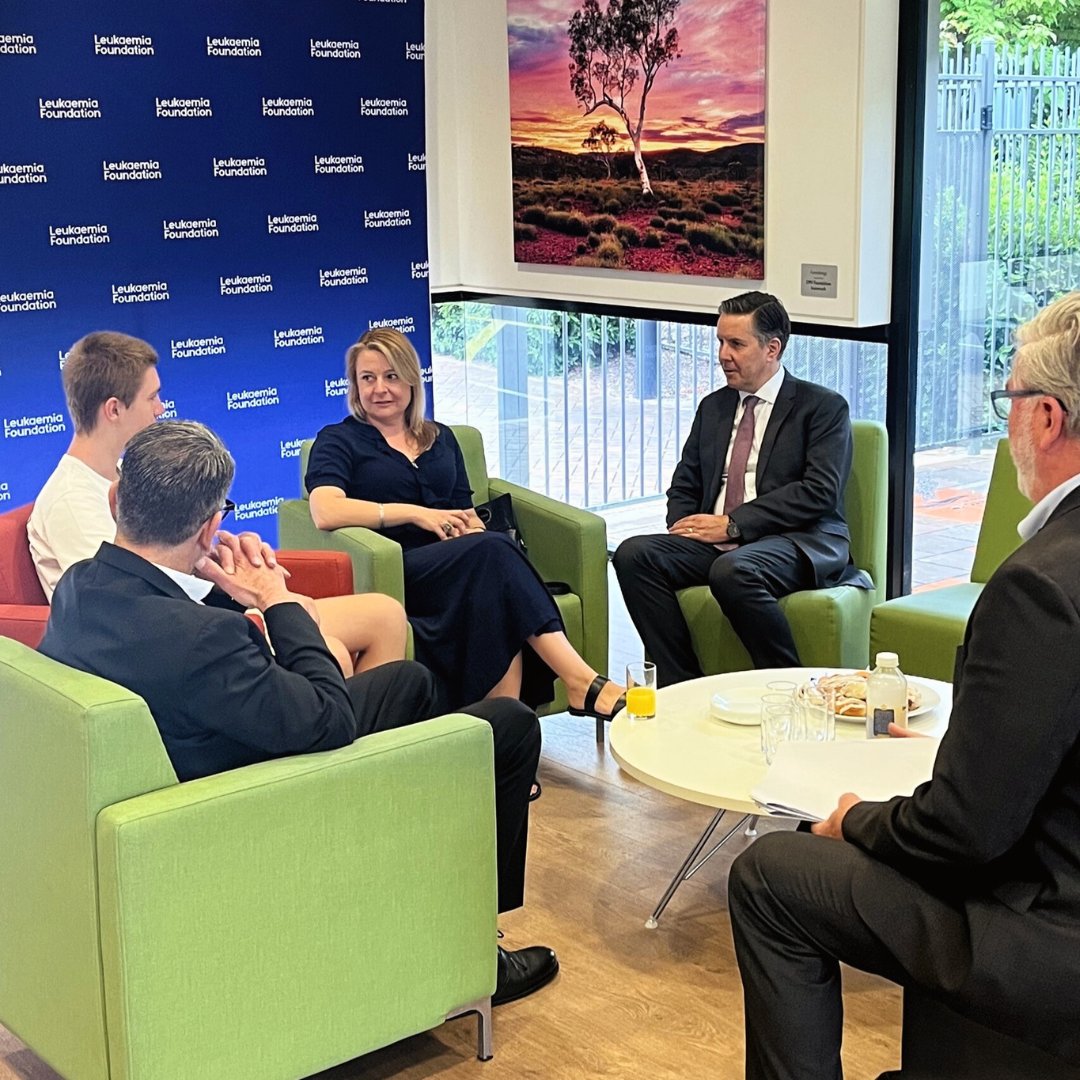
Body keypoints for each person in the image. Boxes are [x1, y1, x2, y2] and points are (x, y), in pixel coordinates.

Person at [39, 420, 559, 1006]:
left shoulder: (82, 587)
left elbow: (169, 632)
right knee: (510, 725)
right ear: (212, 524)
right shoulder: (207, 641)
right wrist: (275, 599)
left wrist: (221, 588)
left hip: (183, 770)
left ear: (117, 500)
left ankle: (405, 853)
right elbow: (328, 719)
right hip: (253, 806)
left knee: (409, 682)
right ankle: (472, 948)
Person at [727, 291, 1080, 1078]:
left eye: (1009, 400)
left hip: (1048, 933)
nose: (1006, 421)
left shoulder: (1040, 586)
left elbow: (964, 833)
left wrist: (855, 819)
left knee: (772, 873)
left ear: (1047, 418)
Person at [27, 330, 406, 676]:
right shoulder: (71, 503)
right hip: (180, 643)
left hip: (205, 609)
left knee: (386, 614)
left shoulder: (130, 471)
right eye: (153, 397)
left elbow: (168, 556)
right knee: (332, 653)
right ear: (114, 409)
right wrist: (256, 611)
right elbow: (121, 611)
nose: (161, 408)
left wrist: (226, 558)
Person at [304, 325, 626, 721]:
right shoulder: (338, 440)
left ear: (411, 379)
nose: (379, 389)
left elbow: (463, 509)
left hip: (458, 562)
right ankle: (580, 681)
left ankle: (501, 738)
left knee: (491, 570)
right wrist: (411, 512)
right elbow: (326, 510)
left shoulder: (441, 438)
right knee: (493, 554)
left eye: (391, 376)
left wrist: (470, 527)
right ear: (354, 386)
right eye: (367, 378)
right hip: (397, 568)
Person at [613, 291, 871, 687]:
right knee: (633, 554)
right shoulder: (714, 407)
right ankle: (681, 685)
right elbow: (686, 481)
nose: (722, 354)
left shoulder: (822, 407)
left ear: (772, 348)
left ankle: (791, 686)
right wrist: (685, 525)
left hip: (795, 540)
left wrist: (734, 525)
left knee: (733, 569)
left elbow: (819, 491)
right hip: (717, 541)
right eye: (720, 341)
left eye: (736, 343)